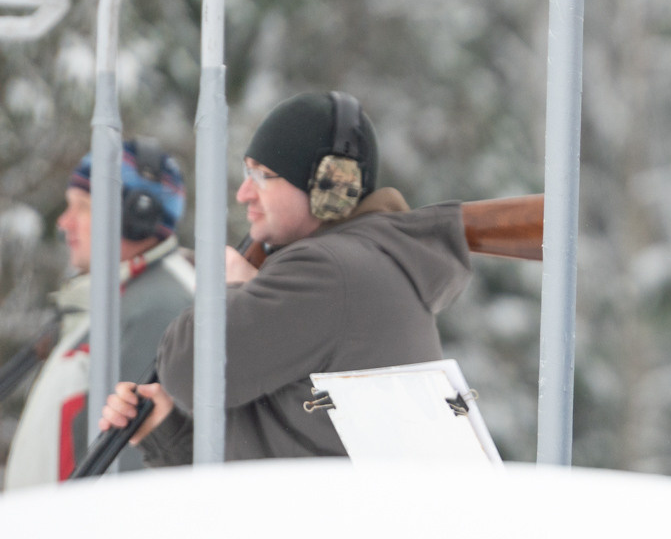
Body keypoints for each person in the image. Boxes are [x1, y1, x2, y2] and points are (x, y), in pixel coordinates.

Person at [99, 91, 471, 464]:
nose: (245, 193)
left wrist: (233, 289)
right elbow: (285, 447)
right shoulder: (367, 265)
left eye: (262, 176)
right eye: (247, 173)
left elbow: (188, 368)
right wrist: (167, 429)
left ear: (331, 186)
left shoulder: (327, 271)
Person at [1, 141, 194, 488]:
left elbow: (131, 467)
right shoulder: (125, 299)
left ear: (137, 217)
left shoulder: (157, 307)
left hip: (82, 536)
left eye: (82, 207)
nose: (64, 222)